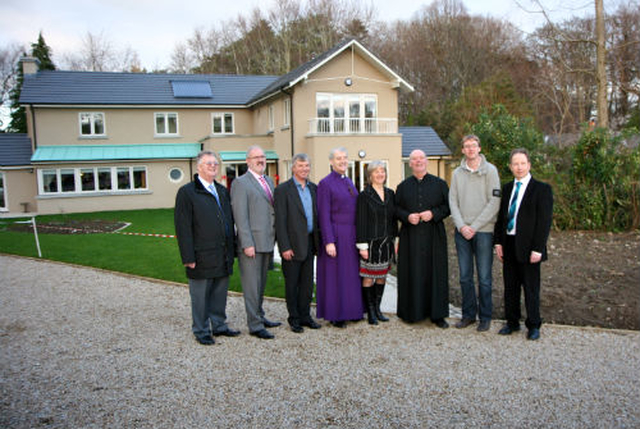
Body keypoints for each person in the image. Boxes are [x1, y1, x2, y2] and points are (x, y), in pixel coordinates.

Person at [174, 150, 240, 345]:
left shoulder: (221, 190)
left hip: (223, 253)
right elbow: (183, 227)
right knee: (201, 296)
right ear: (199, 167)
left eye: (215, 163)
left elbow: (229, 221)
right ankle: (201, 330)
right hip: (201, 254)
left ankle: (219, 325)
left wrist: (233, 248)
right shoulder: (187, 193)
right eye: (208, 163)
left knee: (220, 293)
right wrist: (188, 257)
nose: (213, 166)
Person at [494, 148, 553, 341]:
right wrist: (498, 243)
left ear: (529, 165)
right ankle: (512, 322)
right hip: (509, 243)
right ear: (510, 167)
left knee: (530, 287)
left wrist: (538, 248)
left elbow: (544, 222)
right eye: (515, 164)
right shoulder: (508, 188)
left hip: (529, 247)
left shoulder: (542, 189)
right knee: (510, 287)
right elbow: (502, 218)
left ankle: (534, 324)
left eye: (522, 163)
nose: (519, 167)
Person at [449, 135, 501, 332]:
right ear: (462, 150)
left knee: (485, 277)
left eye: (473, 146)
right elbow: (452, 201)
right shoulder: (457, 174)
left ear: (479, 148)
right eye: (466, 146)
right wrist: (462, 226)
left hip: (484, 231)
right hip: (462, 231)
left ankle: (485, 317)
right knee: (464, 276)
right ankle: (468, 315)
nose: (470, 149)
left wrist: (475, 226)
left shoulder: (491, 171)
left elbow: (494, 202)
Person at [231, 145, 282, 340]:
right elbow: (240, 216)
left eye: (262, 156)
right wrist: (247, 243)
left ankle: (259, 316)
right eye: (256, 157)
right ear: (248, 161)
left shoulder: (268, 180)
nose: (260, 160)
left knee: (260, 284)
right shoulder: (240, 183)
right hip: (252, 244)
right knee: (252, 285)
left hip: (267, 241)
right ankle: (254, 325)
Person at [395, 149, 450, 328]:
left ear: (426, 161)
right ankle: (411, 312)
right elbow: (395, 209)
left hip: (434, 236)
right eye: (414, 159)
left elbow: (448, 207)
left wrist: (433, 213)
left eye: (421, 158)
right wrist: (406, 216)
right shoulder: (403, 187)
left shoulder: (440, 184)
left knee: (436, 273)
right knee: (412, 273)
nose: (418, 162)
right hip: (410, 237)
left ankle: (437, 315)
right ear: (410, 164)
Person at [274, 153, 322, 333]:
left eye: (307, 166)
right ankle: (294, 318)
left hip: (310, 242)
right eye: (300, 166)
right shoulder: (283, 190)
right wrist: (284, 247)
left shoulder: (314, 189)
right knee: (292, 284)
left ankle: (305, 316)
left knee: (307, 284)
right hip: (292, 245)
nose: (304, 169)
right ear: (293, 168)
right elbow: (280, 220)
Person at [316, 147, 363, 328]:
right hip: (336, 234)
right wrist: (329, 241)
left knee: (349, 276)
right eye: (338, 158)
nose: (342, 161)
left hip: (351, 235)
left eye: (344, 158)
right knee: (336, 277)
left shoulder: (348, 181)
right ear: (331, 162)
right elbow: (324, 214)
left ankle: (352, 311)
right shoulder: (325, 184)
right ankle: (336, 314)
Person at [356, 160, 397, 325]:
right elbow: (361, 222)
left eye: (382, 171)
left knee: (382, 277)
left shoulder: (390, 193)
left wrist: (396, 239)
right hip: (370, 244)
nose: (380, 174)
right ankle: (370, 311)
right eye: (376, 172)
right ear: (370, 175)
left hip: (386, 243)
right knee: (368, 278)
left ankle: (378, 309)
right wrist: (362, 246)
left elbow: (393, 219)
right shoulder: (364, 196)